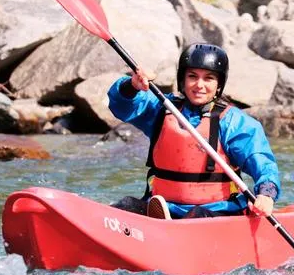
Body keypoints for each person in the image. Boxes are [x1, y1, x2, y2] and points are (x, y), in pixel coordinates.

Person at [107, 43, 279, 220]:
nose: (199, 85)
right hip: (163, 205)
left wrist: (266, 193)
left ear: (219, 84)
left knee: (196, 215)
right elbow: (121, 104)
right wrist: (132, 85)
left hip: (216, 210)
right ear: (182, 80)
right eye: (192, 76)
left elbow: (261, 162)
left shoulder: (234, 122)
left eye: (208, 78)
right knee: (126, 205)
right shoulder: (161, 108)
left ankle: (171, 228)